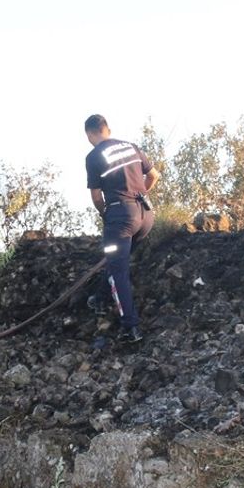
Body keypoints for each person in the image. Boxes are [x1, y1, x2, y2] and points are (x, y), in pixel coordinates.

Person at [84, 114, 159, 343]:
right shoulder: (131, 147)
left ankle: (131, 328)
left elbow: (97, 196)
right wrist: (141, 195)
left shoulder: (94, 156)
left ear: (89, 134)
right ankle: (99, 297)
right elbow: (154, 175)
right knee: (116, 260)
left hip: (121, 215)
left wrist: (106, 215)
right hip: (146, 216)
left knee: (119, 272)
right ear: (108, 129)